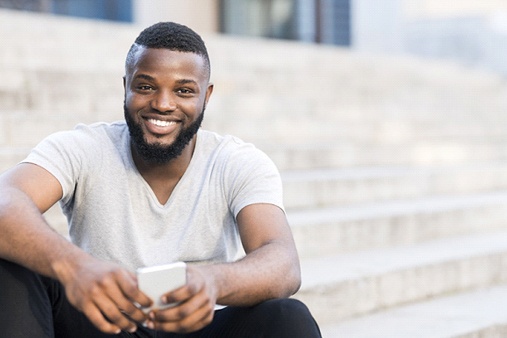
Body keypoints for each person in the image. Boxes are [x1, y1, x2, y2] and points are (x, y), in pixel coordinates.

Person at [0, 22, 321, 337]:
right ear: (125, 87)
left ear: (206, 96)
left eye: (183, 90)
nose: (163, 104)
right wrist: (75, 267)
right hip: (104, 323)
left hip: (196, 326)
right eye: (146, 86)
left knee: (286, 316)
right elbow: (5, 202)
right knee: (11, 262)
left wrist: (212, 281)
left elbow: (282, 263)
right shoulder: (82, 147)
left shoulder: (236, 161)